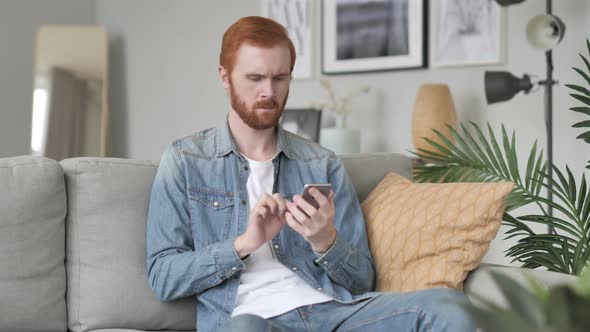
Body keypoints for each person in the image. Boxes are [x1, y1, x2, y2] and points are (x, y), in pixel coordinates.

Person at [146, 16, 475, 332]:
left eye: (280, 78)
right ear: (224, 76)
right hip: (251, 321)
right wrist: (245, 243)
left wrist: (324, 240)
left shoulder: (321, 163)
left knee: (449, 306)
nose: (269, 92)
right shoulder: (186, 160)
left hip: (334, 315)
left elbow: (363, 281)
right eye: (255, 78)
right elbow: (163, 277)